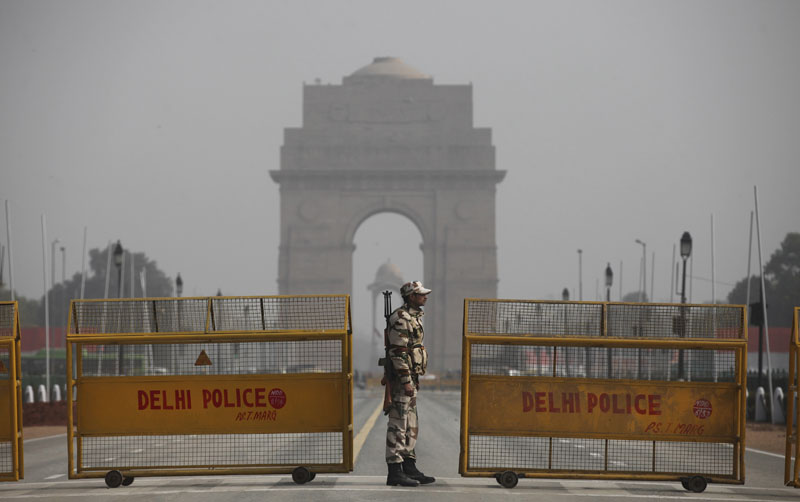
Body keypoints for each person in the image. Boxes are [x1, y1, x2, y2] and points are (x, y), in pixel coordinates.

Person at [385, 280, 435, 487]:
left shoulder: (414, 317)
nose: (425, 296)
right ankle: (394, 470)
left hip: (410, 378)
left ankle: (409, 466)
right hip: (401, 380)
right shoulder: (401, 318)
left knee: (410, 424)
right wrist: (406, 380)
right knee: (398, 423)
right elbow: (398, 353)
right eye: (421, 294)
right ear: (411, 296)